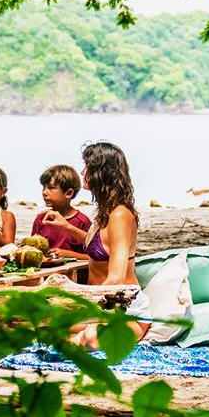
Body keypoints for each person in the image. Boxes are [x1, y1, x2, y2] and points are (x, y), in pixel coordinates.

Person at [69, 142, 151, 349]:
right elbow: (101, 248)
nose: (82, 171)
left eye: (87, 166)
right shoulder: (104, 213)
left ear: (101, 172)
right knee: (45, 326)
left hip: (122, 308)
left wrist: (89, 309)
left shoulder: (120, 215)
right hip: (99, 304)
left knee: (91, 339)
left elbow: (116, 278)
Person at [31, 164, 92, 259]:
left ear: (69, 193)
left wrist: (69, 255)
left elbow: (94, 257)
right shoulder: (41, 219)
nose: (44, 192)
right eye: (44, 187)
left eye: (51, 188)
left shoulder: (82, 221)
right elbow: (31, 250)